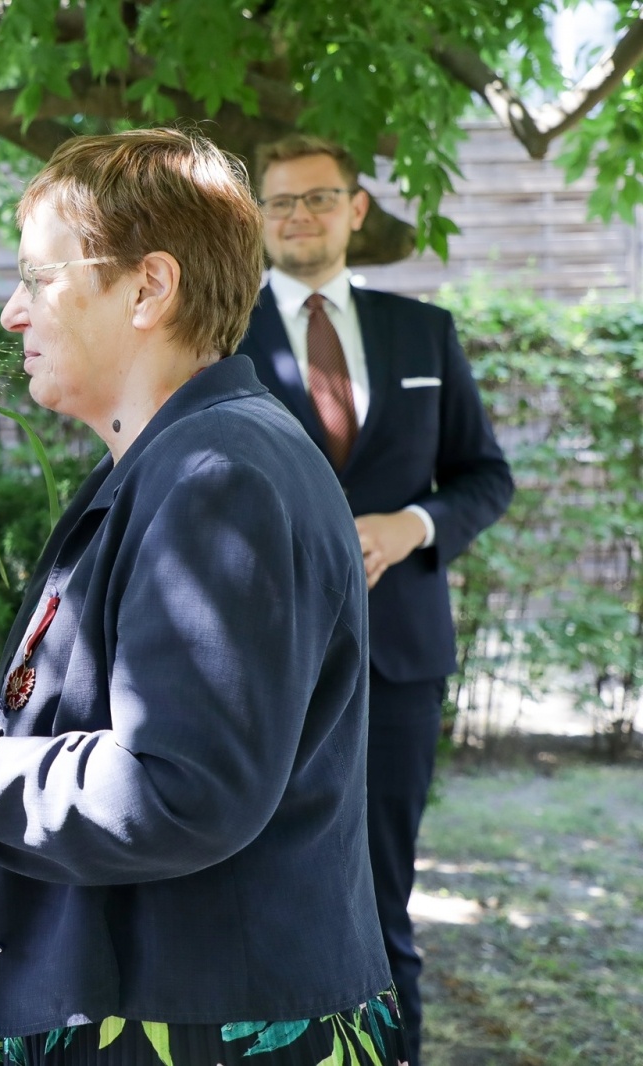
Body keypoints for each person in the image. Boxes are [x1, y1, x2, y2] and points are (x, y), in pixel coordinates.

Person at [0, 128, 403, 1065]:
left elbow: (176, 789)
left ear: (149, 287)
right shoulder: (178, 458)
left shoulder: (219, 477)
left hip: (200, 1029)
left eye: (39, 277)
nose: (12, 312)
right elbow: (55, 716)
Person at [235, 135, 514, 1066]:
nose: (299, 217)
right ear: (258, 217)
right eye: (280, 202)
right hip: (260, 660)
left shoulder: (423, 332)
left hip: (398, 661)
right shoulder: (220, 332)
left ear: (356, 208)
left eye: (318, 198)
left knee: (383, 892)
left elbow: (486, 476)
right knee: (260, 885)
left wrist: (413, 525)